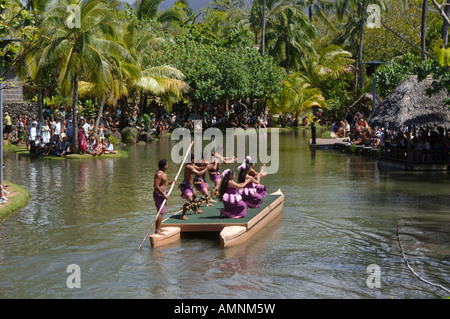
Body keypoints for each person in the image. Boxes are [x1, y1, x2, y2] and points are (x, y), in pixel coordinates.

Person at [179, 154, 210, 220]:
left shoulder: (191, 165)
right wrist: (207, 168)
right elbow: (199, 173)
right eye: (194, 159)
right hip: (186, 185)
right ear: (192, 160)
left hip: (190, 186)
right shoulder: (189, 167)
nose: (195, 160)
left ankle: (196, 210)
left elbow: (199, 168)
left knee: (195, 196)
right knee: (190, 199)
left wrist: (206, 166)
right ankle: (183, 215)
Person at [153, 159, 176, 235]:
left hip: (162, 194)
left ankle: (159, 228)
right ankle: (157, 230)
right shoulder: (159, 174)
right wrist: (164, 195)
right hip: (159, 195)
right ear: (164, 166)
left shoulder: (163, 173)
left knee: (162, 212)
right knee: (160, 212)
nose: (168, 166)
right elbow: (156, 186)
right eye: (167, 164)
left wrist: (171, 182)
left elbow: (164, 184)